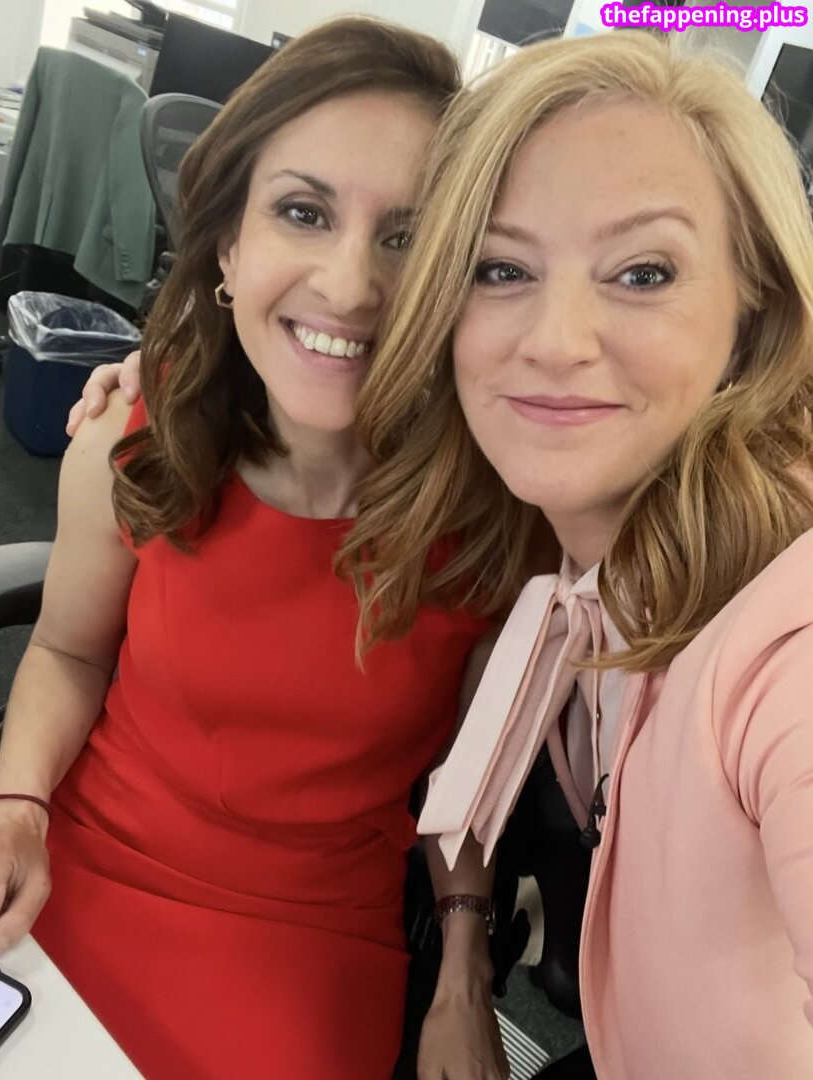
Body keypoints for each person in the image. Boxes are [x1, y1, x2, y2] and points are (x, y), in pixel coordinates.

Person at [0, 19, 493, 1080]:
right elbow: (67, 652)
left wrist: (463, 975)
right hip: (76, 865)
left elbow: (471, 790)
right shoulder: (140, 433)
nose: (349, 286)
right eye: (302, 212)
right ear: (228, 245)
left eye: (406, 236)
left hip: (312, 943)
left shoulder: (496, 514)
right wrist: (14, 804)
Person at [338, 29, 813, 1080]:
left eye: (642, 273)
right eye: (499, 269)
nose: (554, 340)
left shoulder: (784, 638)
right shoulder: (566, 548)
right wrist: (461, 970)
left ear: (753, 317)